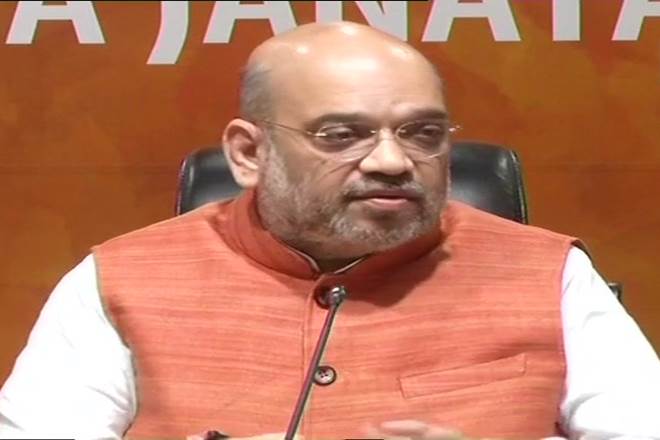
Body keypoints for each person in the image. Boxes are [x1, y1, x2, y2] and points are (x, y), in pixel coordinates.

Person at [1, 21, 659, 440]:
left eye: (423, 133)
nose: (393, 161)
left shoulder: (548, 274)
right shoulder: (122, 279)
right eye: (341, 135)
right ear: (248, 154)